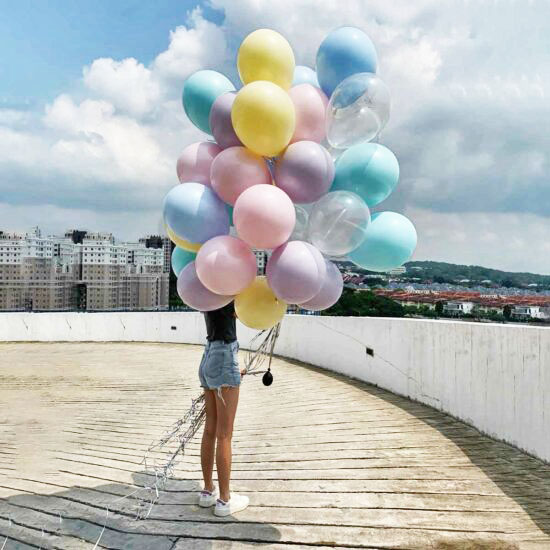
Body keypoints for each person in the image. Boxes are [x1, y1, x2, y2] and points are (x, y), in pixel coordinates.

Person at [196, 300, 249, 516]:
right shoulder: (229, 289)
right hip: (224, 352)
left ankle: (208, 491)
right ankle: (224, 500)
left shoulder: (207, 287)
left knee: (210, 429)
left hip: (209, 353)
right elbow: (247, 312)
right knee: (224, 434)